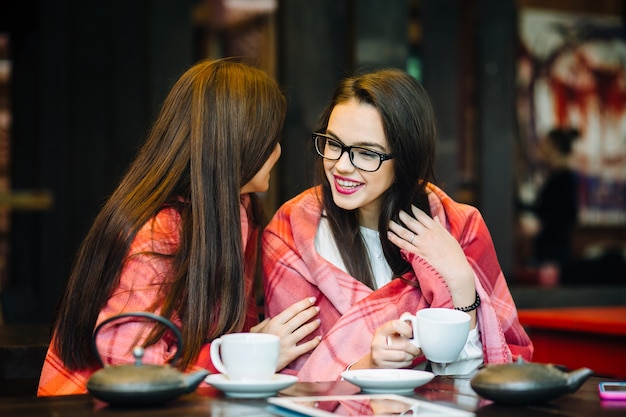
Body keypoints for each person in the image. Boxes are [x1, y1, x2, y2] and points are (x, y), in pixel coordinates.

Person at [37, 58, 321, 396]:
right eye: (270, 138)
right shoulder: (159, 233)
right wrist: (247, 357)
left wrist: (248, 349)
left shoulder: (236, 212)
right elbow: (136, 372)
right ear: (238, 145)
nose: (277, 150)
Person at [262, 68, 533, 381]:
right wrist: (369, 365)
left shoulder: (460, 228)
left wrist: (460, 282)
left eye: (366, 153)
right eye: (333, 144)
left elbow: (490, 375)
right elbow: (294, 380)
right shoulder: (291, 234)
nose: (341, 166)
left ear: (405, 158)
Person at [528, 127, 580, 280]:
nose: (541, 148)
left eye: (545, 144)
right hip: (548, 244)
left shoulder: (564, 177)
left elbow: (569, 214)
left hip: (555, 247)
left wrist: (541, 224)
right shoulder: (554, 175)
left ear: (554, 147)